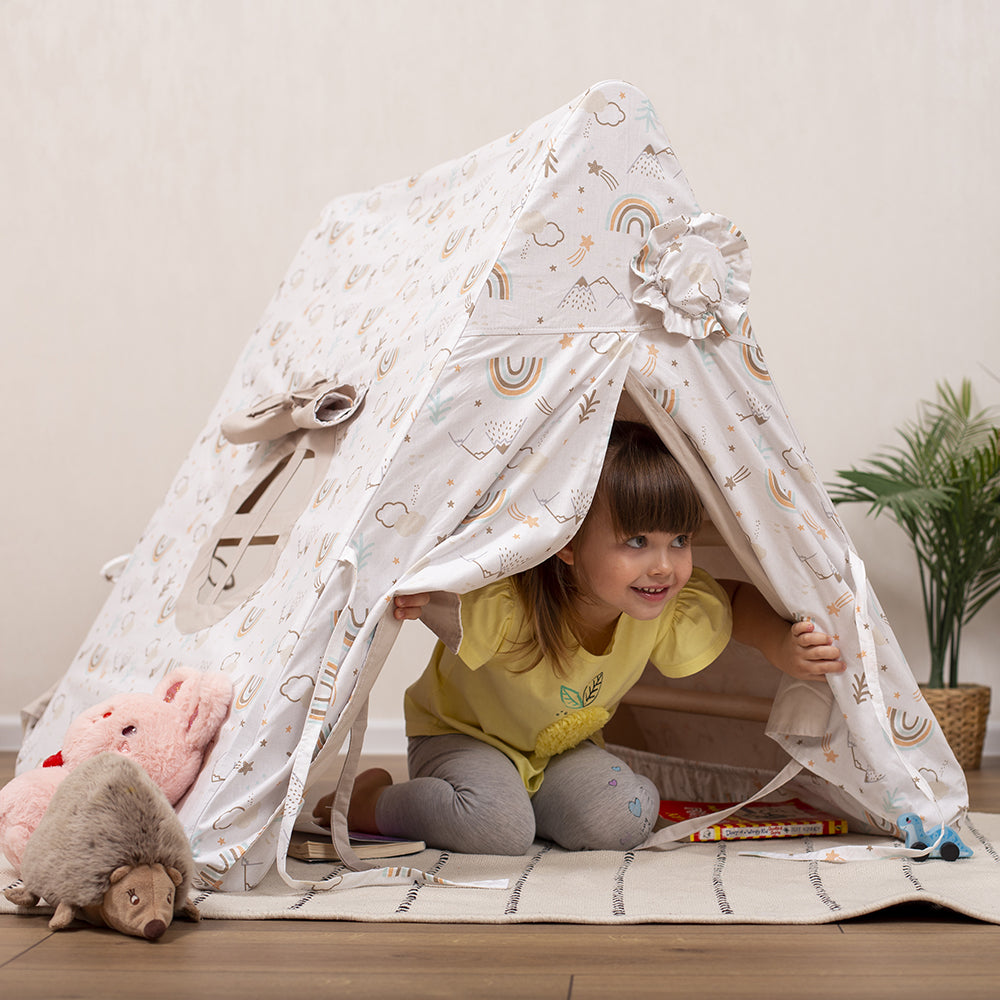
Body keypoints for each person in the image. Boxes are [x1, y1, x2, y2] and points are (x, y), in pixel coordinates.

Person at [314, 421, 844, 854]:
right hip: (460, 738)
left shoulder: (661, 607)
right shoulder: (508, 603)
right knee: (497, 830)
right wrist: (408, 592)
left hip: (565, 750)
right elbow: (432, 588)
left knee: (624, 819)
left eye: (679, 540)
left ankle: (539, 805)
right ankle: (372, 799)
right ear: (564, 542)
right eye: (636, 541)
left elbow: (728, 599)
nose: (664, 566)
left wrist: (779, 643)